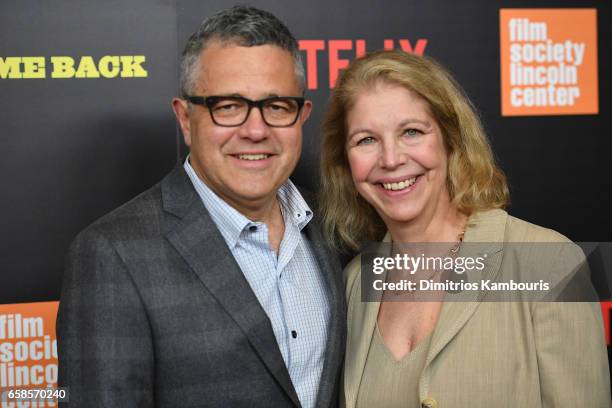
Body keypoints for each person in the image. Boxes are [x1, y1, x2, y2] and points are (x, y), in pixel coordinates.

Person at [57, 6, 345, 407]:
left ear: (301, 116)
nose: (256, 130)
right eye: (227, 106)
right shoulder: (112, 254)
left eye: (277, 106)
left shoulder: (335, 229)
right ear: (186, 119)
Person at [319, 50, 610, 407]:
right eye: (366, 140)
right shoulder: (352, 282)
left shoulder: (548, 264)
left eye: (411, 132)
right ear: (345, 162)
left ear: (450, 139)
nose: (391, 159)